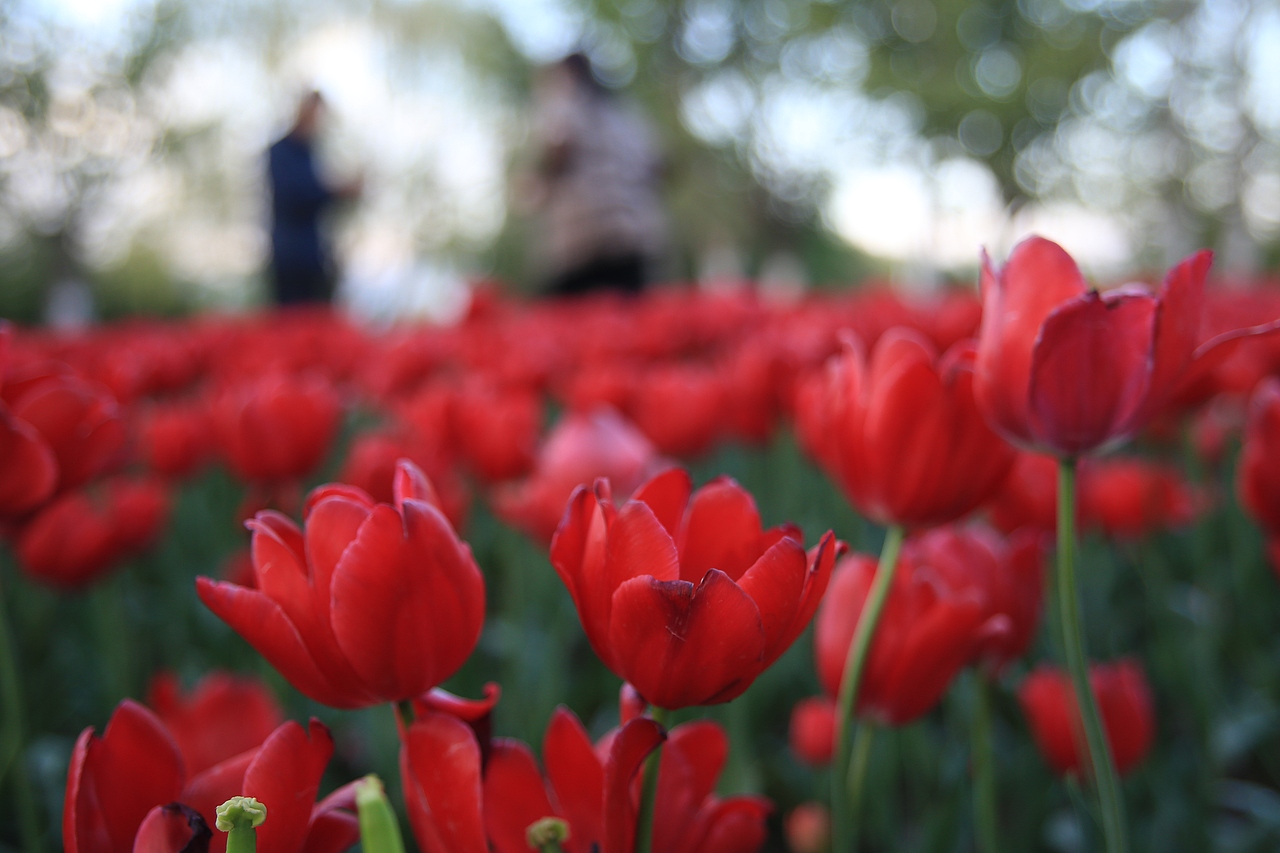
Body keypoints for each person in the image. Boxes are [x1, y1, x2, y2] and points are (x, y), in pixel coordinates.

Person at [526, 54, 666, 297]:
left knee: (574, 325)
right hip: (631, 242)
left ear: (568, 75)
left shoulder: (565, 103)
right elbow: (657, 165)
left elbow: (559, 148)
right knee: (630, 321)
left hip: (581, 246)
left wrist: (537, 182)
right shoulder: (626, 116)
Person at [266, 91, 360, 305]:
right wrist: (335, 190)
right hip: (289, 256)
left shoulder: (312, 153)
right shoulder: (279, 152)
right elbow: (292, 195)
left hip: (316, 255)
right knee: (292, 322)